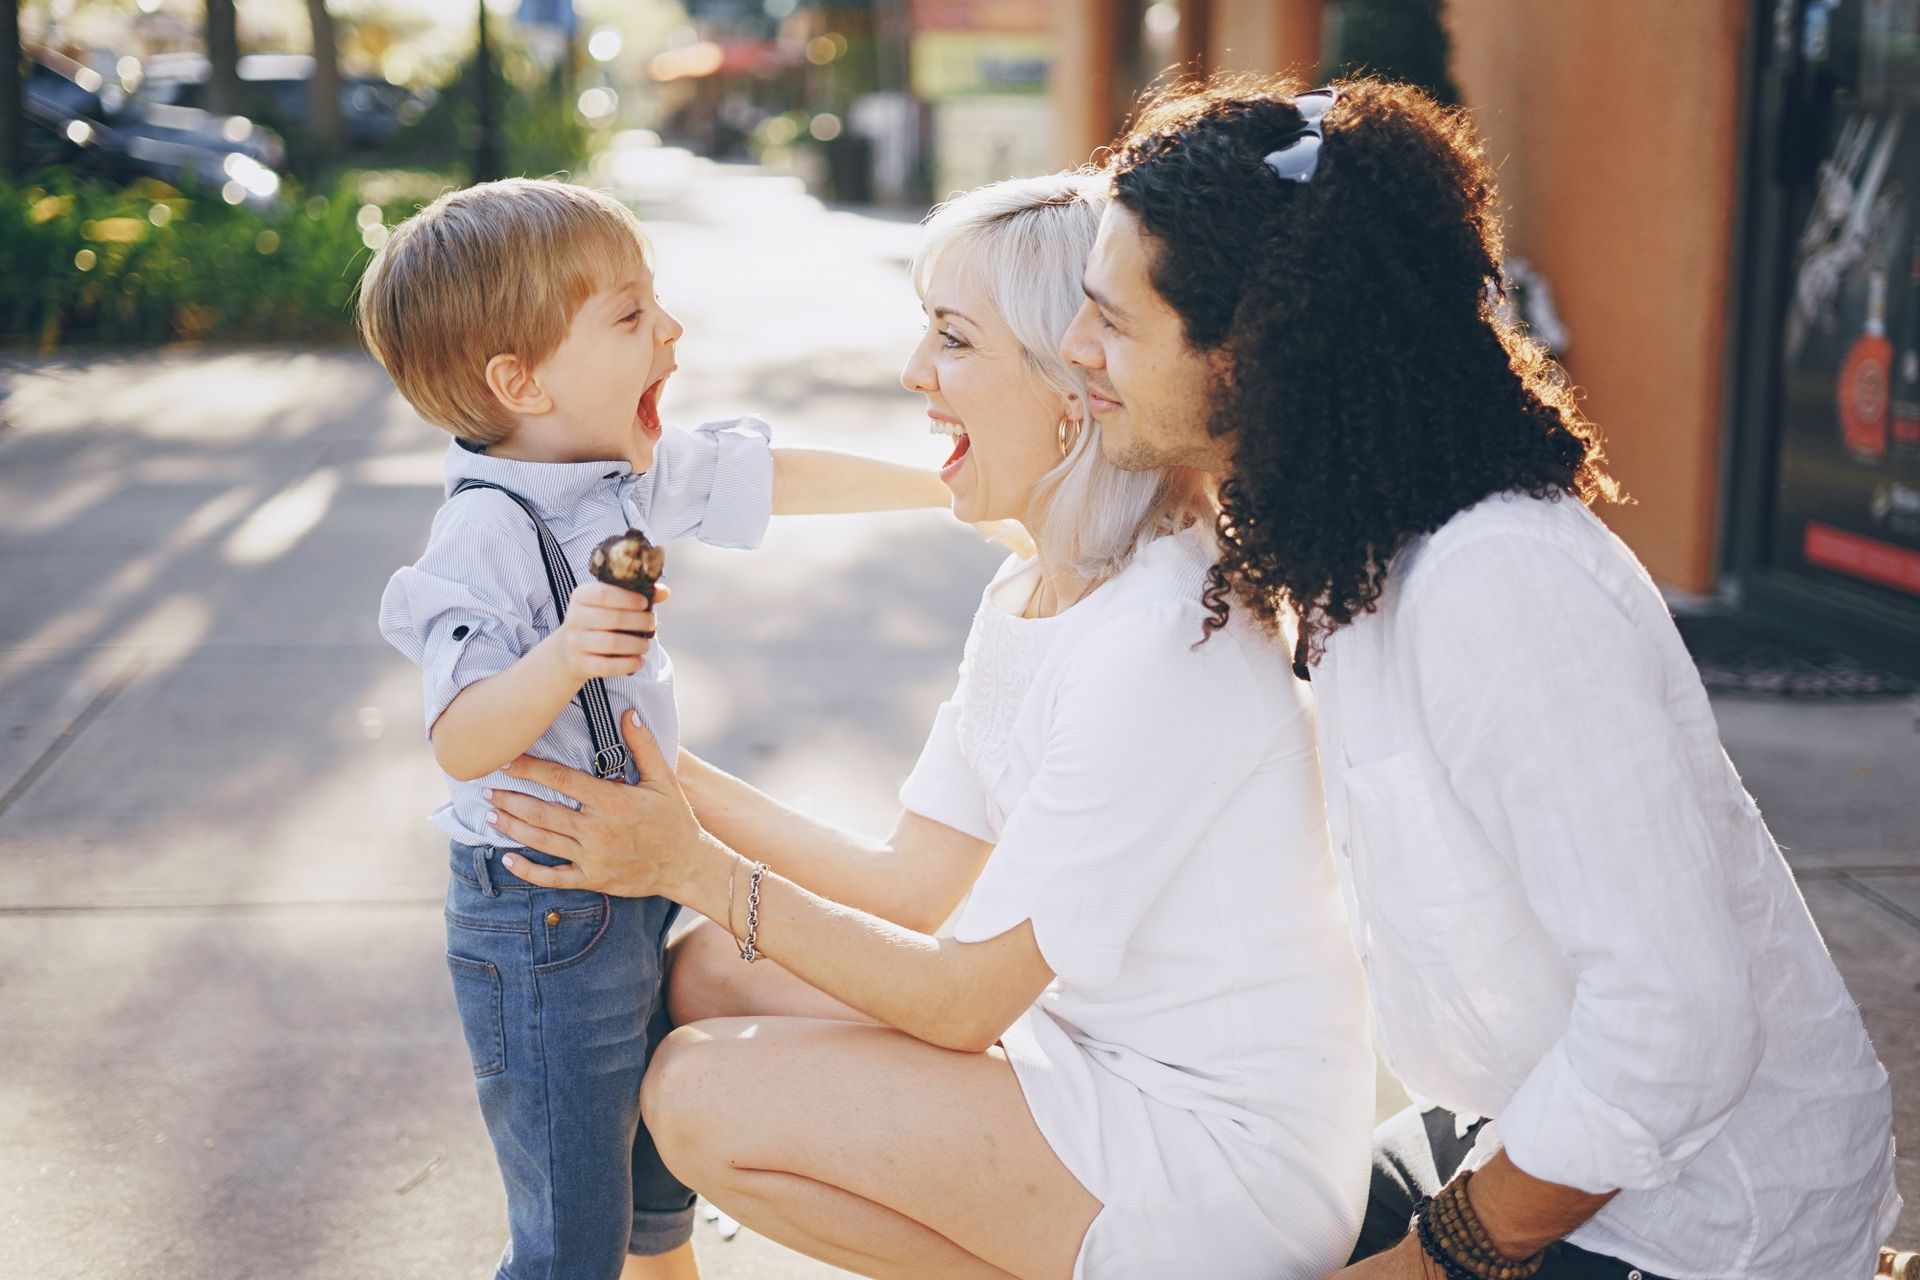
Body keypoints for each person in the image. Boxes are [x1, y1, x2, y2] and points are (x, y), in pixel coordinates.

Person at [1052, 74, 1901, 1280]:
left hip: (1695, 1229)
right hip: (1501, 1133)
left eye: (1114, 322)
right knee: (1118, 1203)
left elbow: (1677, 1027)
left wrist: (1428, 1260)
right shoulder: (1351, 535)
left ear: (1259, 357)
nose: (1078, 349)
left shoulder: (1497, 583)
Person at [485, 171, 1375, 1280]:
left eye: (952, 340)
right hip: (1085, 1051)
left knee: (697, 1089)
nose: (914, 374)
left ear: (1072, 380)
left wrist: (691, 862)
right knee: (704, 976)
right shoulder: (1038, 588)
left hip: (1215, 1159)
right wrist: (656, 776)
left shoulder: (1159, 641)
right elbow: (910, 880)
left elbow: (960, 1000)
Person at [363, 177, 959, 1280]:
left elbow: (773, 477)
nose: (671, 330)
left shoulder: (621, 467)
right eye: (631, 316)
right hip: (538, 915)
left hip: (632, 882)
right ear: (520, 380)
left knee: (649, 1201)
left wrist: (954, 491)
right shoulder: (481, 538)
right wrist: (563, 655)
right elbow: (459, 739)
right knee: (570, 1236)